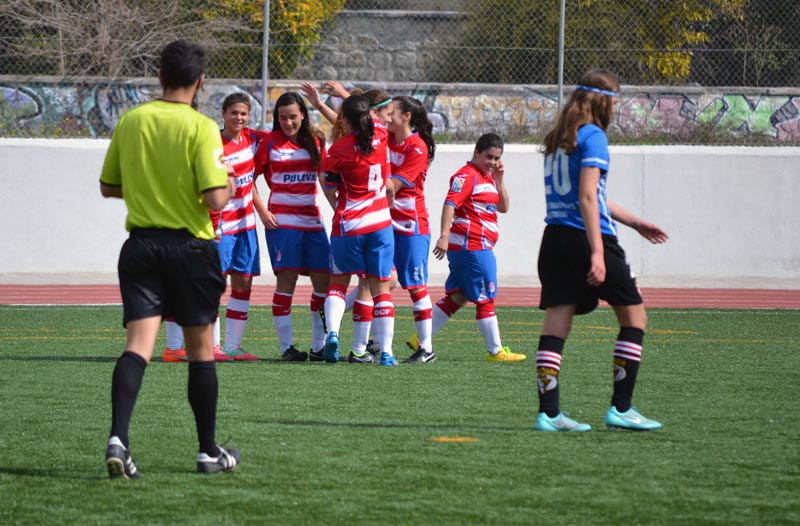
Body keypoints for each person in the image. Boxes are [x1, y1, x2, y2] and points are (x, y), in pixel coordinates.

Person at [99, 39, 240, 478]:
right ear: (200, 82)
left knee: (137, 347)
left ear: (159, 76)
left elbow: (109, 186)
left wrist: (148, 190)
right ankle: (206, 452)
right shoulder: (201, 128)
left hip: (140, 247)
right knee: (200, 351)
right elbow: (215, 198)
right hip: (191, 249)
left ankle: (118, 438)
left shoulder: (132, 120)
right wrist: (232, 185)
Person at [534, 69, 669, 432]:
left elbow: (594, 194)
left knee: (557, 323)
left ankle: (548, 414)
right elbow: (588, 197)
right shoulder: (593, 136)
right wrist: (597, 251)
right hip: (586, 237)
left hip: (555, 238)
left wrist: (636, 223)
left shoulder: (558, 137)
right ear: (603, 101)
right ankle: (621, 408)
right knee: (635, 319)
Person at [163, 92, 267, 362]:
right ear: (223, 114)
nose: (239, 118)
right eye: (234, 112)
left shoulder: (254, 140)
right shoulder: (212, 144)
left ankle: (233, 347)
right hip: (218, 227)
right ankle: (211, 346)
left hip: (246, 227)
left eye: (244, 113)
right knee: (212, 286)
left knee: (243, 283)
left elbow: (284, 137)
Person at [429, 133, 527, 363]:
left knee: (459, 296)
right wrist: (444, 235)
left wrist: (499, 179)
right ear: (477, 152)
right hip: (472, 245)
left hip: (476, 246)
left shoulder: (488, 177)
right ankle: (495, 351)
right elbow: (450, 204)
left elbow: (503, 207)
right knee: (485, 297)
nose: (492, 162)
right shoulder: (466, 176)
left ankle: (421, 337)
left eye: (497, 158)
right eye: (489, 157)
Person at [320, 94, 397, 366]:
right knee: (380, 288)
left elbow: (329, 187)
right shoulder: (381, 134)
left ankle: (332, 333)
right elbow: (373, 114)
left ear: (344, 119)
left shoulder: (338, 150)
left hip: (348, 224)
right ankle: (385, 352)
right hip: (380, 225)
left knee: (338, 285)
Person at [253, 91, 329, 362]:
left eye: (293, 117)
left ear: (303, 116)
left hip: (312, 221)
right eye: (282, 117)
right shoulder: (269, 142)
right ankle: (287, 348)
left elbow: (325, 179)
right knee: (287, 280)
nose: (288, 122)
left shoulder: (317, 140)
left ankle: (319, 347)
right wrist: (262, 212)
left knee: (324, 280)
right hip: (282, 224)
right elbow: (246, 179)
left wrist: (338, 208)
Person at [384, 95, 437, 363]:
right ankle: (374, 343)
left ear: (406, 117)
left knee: (416, 286)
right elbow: (359, 120)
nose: (386, 116)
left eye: (391, 112)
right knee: (380, 279)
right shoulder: (385, 137)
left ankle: (426, 348)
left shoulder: (417, 147)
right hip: (385, 222)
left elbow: (395, 184)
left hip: (411, 225)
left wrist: (363, 185)